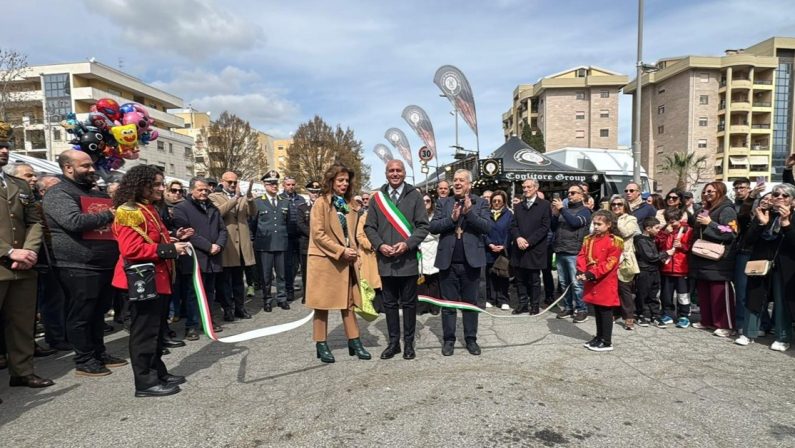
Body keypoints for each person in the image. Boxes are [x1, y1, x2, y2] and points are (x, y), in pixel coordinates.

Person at [43, 150, 127, 377]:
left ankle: (99, 352)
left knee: (99, 312)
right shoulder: (58, 193)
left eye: (91, 165)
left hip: (104, 262)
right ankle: (84, 359)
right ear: (68, 168)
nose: (92, 170)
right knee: (81, 314)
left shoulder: (95, 193)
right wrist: (110, 214)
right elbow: (74, 222)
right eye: (85, 166)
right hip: (77, 265)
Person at [112, 165, 193, 397]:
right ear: (141, 185)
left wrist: (176, 238)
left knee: (156, 331)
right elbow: (130, 249)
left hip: (157, 278)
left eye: (161, 183)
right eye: (156, 184)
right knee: (144, 333)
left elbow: (152, 237)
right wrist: (170, 249)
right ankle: (145, 382)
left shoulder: (147, 208)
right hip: (141, 281)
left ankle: (158, 372)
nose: (161, 188)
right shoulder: (128, 210)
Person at [0, 135, 53, 397]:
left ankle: (22, 371)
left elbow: (34, 220)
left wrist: (29, 251)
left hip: (23, 265)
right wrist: (9, 251)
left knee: (21, 321)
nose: (4, 150)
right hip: (5, 259)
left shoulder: (18, 184)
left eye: (6, 146)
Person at [305, 163, 370, 363]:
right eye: (340, 180)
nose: (344, 184)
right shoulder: (321, 203)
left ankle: (355, 341)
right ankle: (321, 343)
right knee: (321, 305)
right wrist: (341, 251)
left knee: (348, 303)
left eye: (346, 181)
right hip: (326, 260)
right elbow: (318, 234)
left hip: (347, 260)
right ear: (331, 181)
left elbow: (351, 233)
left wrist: (355, 252)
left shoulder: (349, 204)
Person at [364, 160, 429, 360]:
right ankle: (394, 343)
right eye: (391, 170)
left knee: (409, 304)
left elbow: (423, 226)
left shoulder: (415, 196)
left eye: (398, 170)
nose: (395, 174)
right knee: (390, 304)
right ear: (386, 173)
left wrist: (407, 244)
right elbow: (369, 227)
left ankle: (408, 343)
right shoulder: (378, 198)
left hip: (407, 260)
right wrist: (380, 245)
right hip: (386, 260)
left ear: (404, 173)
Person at [430, 169, 491, 356]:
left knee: (470, 304)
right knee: (448, 305)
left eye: (461, 180)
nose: (457, 183)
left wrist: (469, 213)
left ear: (469, 184)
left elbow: (487, 227)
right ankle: (449, 340)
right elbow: (433, 227)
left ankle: (471, 339)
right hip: (448, 262)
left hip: (471, 263)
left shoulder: (480, 203)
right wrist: (452, 219)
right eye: (455, 180)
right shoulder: (443, 202)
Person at [737, 185, 795, 351]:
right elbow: (747, 240)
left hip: (784, 265)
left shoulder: (792, 215)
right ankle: (749, 333)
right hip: (761, 262)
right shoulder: (765, 213)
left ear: (792, 200)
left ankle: (783, 337)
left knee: (782, 300)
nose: (780, 197)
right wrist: (760, 224)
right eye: (776, 194)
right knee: (754, 296)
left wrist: (786, 224)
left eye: (786, 195)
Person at [173, 177, 227, 336]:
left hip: (213, 257)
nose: (204, 192)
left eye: (206, 189)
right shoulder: (181, 208)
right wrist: (208, 246)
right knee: (193, 293)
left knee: (210, 291)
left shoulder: (213, 208)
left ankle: (208, 320)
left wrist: (219, 245)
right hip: (195, 257)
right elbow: (187, 233)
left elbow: (222, 229)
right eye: (200, 189)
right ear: (191, 190)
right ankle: (192, 325)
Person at [690, 182, 738, 338]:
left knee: (719, 292)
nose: (707, 193)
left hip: (719, 259)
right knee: (704, 291)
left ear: (720, 192)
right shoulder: (706, 208)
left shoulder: (727, 209)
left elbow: (731, 231)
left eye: (711, 191)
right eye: (705, 191)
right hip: (703, 256)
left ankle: (725, 325)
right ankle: (707, 320)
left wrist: (711, 223)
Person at [209, 172, 256, 321]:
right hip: (227, 244)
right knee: (224, 282)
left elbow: (253, 213)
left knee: (238, 280)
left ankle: (240, 308)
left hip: (241, 245)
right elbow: (218, 213)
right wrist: (235, 198)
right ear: (222, 182)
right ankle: (227, 309)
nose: (233, 185)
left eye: (235, 182)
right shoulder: (214, 197)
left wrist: (249, 199)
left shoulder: (242, 197)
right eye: (229, 182)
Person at [577, 210, 622, 352]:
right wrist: (581, 271)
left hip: (605, 280)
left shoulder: (615, 241)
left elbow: (610, 263)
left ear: (608, 225)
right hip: (591, 278)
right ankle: (599, 336)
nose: (595, 226)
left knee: (605, 310)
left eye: (599, 224)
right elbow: (582, 255)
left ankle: (607, 340)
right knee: (597, 309)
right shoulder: (589, 239)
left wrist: (591, 274)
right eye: (594, 223)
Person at [552, 183, 591, 323]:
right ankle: (568, 307)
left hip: (574, 251)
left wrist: (562, 209)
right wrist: (555, 215)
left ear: (581, 195)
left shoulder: (585, 211)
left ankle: (581, 309)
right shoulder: (565, 210)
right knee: (563, 282)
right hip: (561, 249)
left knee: (576, 283)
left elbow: (575, 223)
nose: (569, 195)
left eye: (573, 193)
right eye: (568, 193)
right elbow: (553, 227)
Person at [510, 180, 551, 315]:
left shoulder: (544, 205)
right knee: (520, 278)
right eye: (524, 187)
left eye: (529, 187)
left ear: (536, 188)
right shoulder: (519, 206)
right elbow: (513, 225)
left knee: (534, 279)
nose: (526, 189)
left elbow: (545, 227)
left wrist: (529, 241)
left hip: (535, 248)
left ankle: (534, 304)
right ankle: (523, 304)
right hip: (519, 247)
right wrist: (518, 238)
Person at [251, 170, 290, 312]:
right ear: (264, 185)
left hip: (281, 242)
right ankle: (267, 299)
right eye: (271, 183)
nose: (274, 186)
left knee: (282, 274)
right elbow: (253, 224)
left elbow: (288, 223)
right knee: (266, 275)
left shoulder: (284, 201)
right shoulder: (258, 202)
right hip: (264, 244)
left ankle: (282, 298)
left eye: (276, 183)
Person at [656, 207, 694, 328]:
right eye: (669, 220)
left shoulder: (687, 230)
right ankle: (667, 313)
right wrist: (664, 233)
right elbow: (658, 243)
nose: (671, 223)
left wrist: (682, 246)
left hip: (682, 268)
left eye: (673, 220)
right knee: (666, 294)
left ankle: (684, 315)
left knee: (683, 294)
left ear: (679, 219)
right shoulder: (666, 231)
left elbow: (692, 246)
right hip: (667, 267)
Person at [609, 195, 640, 330]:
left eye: (619, 204)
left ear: (625, 206)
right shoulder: (606, 217)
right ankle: (615, 313)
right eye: (613, 204)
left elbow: (625, 233)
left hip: (624, 257)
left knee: (624, 288)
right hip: (609, 256)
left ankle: (629, 317)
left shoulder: (631, 219)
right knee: (611, 287)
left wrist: (613, 222)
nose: (616, 206)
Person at [634, 217, 666, 327]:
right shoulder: (640, 240)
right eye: (656, 228)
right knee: (642, 294)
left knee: (654, 294)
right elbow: (650, 257)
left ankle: (655, 316)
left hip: (654, 271)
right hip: (644, 271)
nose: (658, 230)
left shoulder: (652, 238)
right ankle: (641, 315)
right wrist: (665, 254)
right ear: (648, 228)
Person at [485, 190, 513, 310]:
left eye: (499, 201)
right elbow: (483, 231)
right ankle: (491, 298)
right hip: (489, 249)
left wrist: (504, 245)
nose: (496, 203)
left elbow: (510, 231)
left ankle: (503, 299)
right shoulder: (485, 214)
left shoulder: (509, 214)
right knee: (490, 275)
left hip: (503, 250)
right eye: (494, 201)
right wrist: (489, 243)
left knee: (503, 275)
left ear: (504, 202)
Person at [281, 175, 306, 302]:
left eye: (292, 184)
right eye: (288, 184)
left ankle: (305, 292)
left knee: (303, 265)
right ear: (283, 185)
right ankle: (289, 290)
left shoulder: (301, 199)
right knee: (288, 266)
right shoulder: (280, 199)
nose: (290, 187)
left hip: (300, 236)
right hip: (287, 236)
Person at [296, 181, 322, 304]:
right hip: (306, 243)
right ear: (308, 192)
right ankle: (307, 295)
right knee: (306, 271)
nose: (314, 194)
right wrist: (314, 235)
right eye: (312, 192)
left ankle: (320, 294)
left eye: (317, 192)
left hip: (322, 245)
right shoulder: (302, 207)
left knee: (320, 271)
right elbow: (300, 224)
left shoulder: (324, 206)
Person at [415, 193, 440, 315]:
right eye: (423, 201)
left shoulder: (436, 217)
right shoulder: (415, 216)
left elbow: (438, 232)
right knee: (421, 281)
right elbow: (413, 233)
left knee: (434, 280)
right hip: (420, 250)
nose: (425, 203)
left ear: (431, 203)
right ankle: (421, 307)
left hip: (434, 249)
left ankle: (434, 306)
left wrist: (423, 234)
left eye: (428, 201)